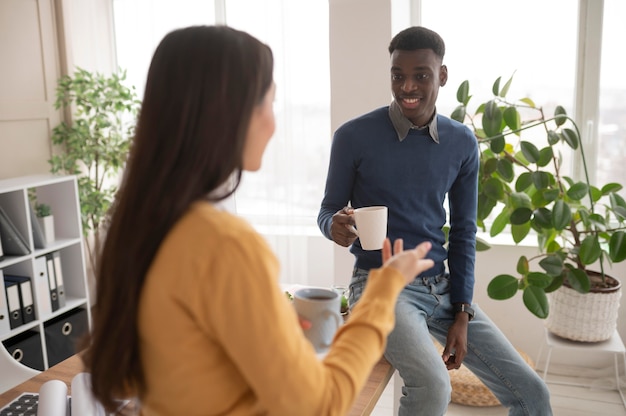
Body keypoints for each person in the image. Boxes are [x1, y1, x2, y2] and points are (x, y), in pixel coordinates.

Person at [82, 25, 436, 416]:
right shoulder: (225, 244)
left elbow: (176, 356)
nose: (273, 123)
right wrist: (381, 294)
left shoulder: (134, 225)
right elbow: (321, 403)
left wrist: (269, 322)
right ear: (228, 115)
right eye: (269, 103)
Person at [317, 26, 553, 416]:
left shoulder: (461, 143)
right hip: (379, 284)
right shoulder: (353, 137)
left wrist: (462, 312)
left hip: (441, 288)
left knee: (533, 393)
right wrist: (334, 226)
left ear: (441, 76)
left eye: (421, 75)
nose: (407, 85)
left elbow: (462, 232)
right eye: (398, 75)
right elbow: (328, 210)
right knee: (432, 384)